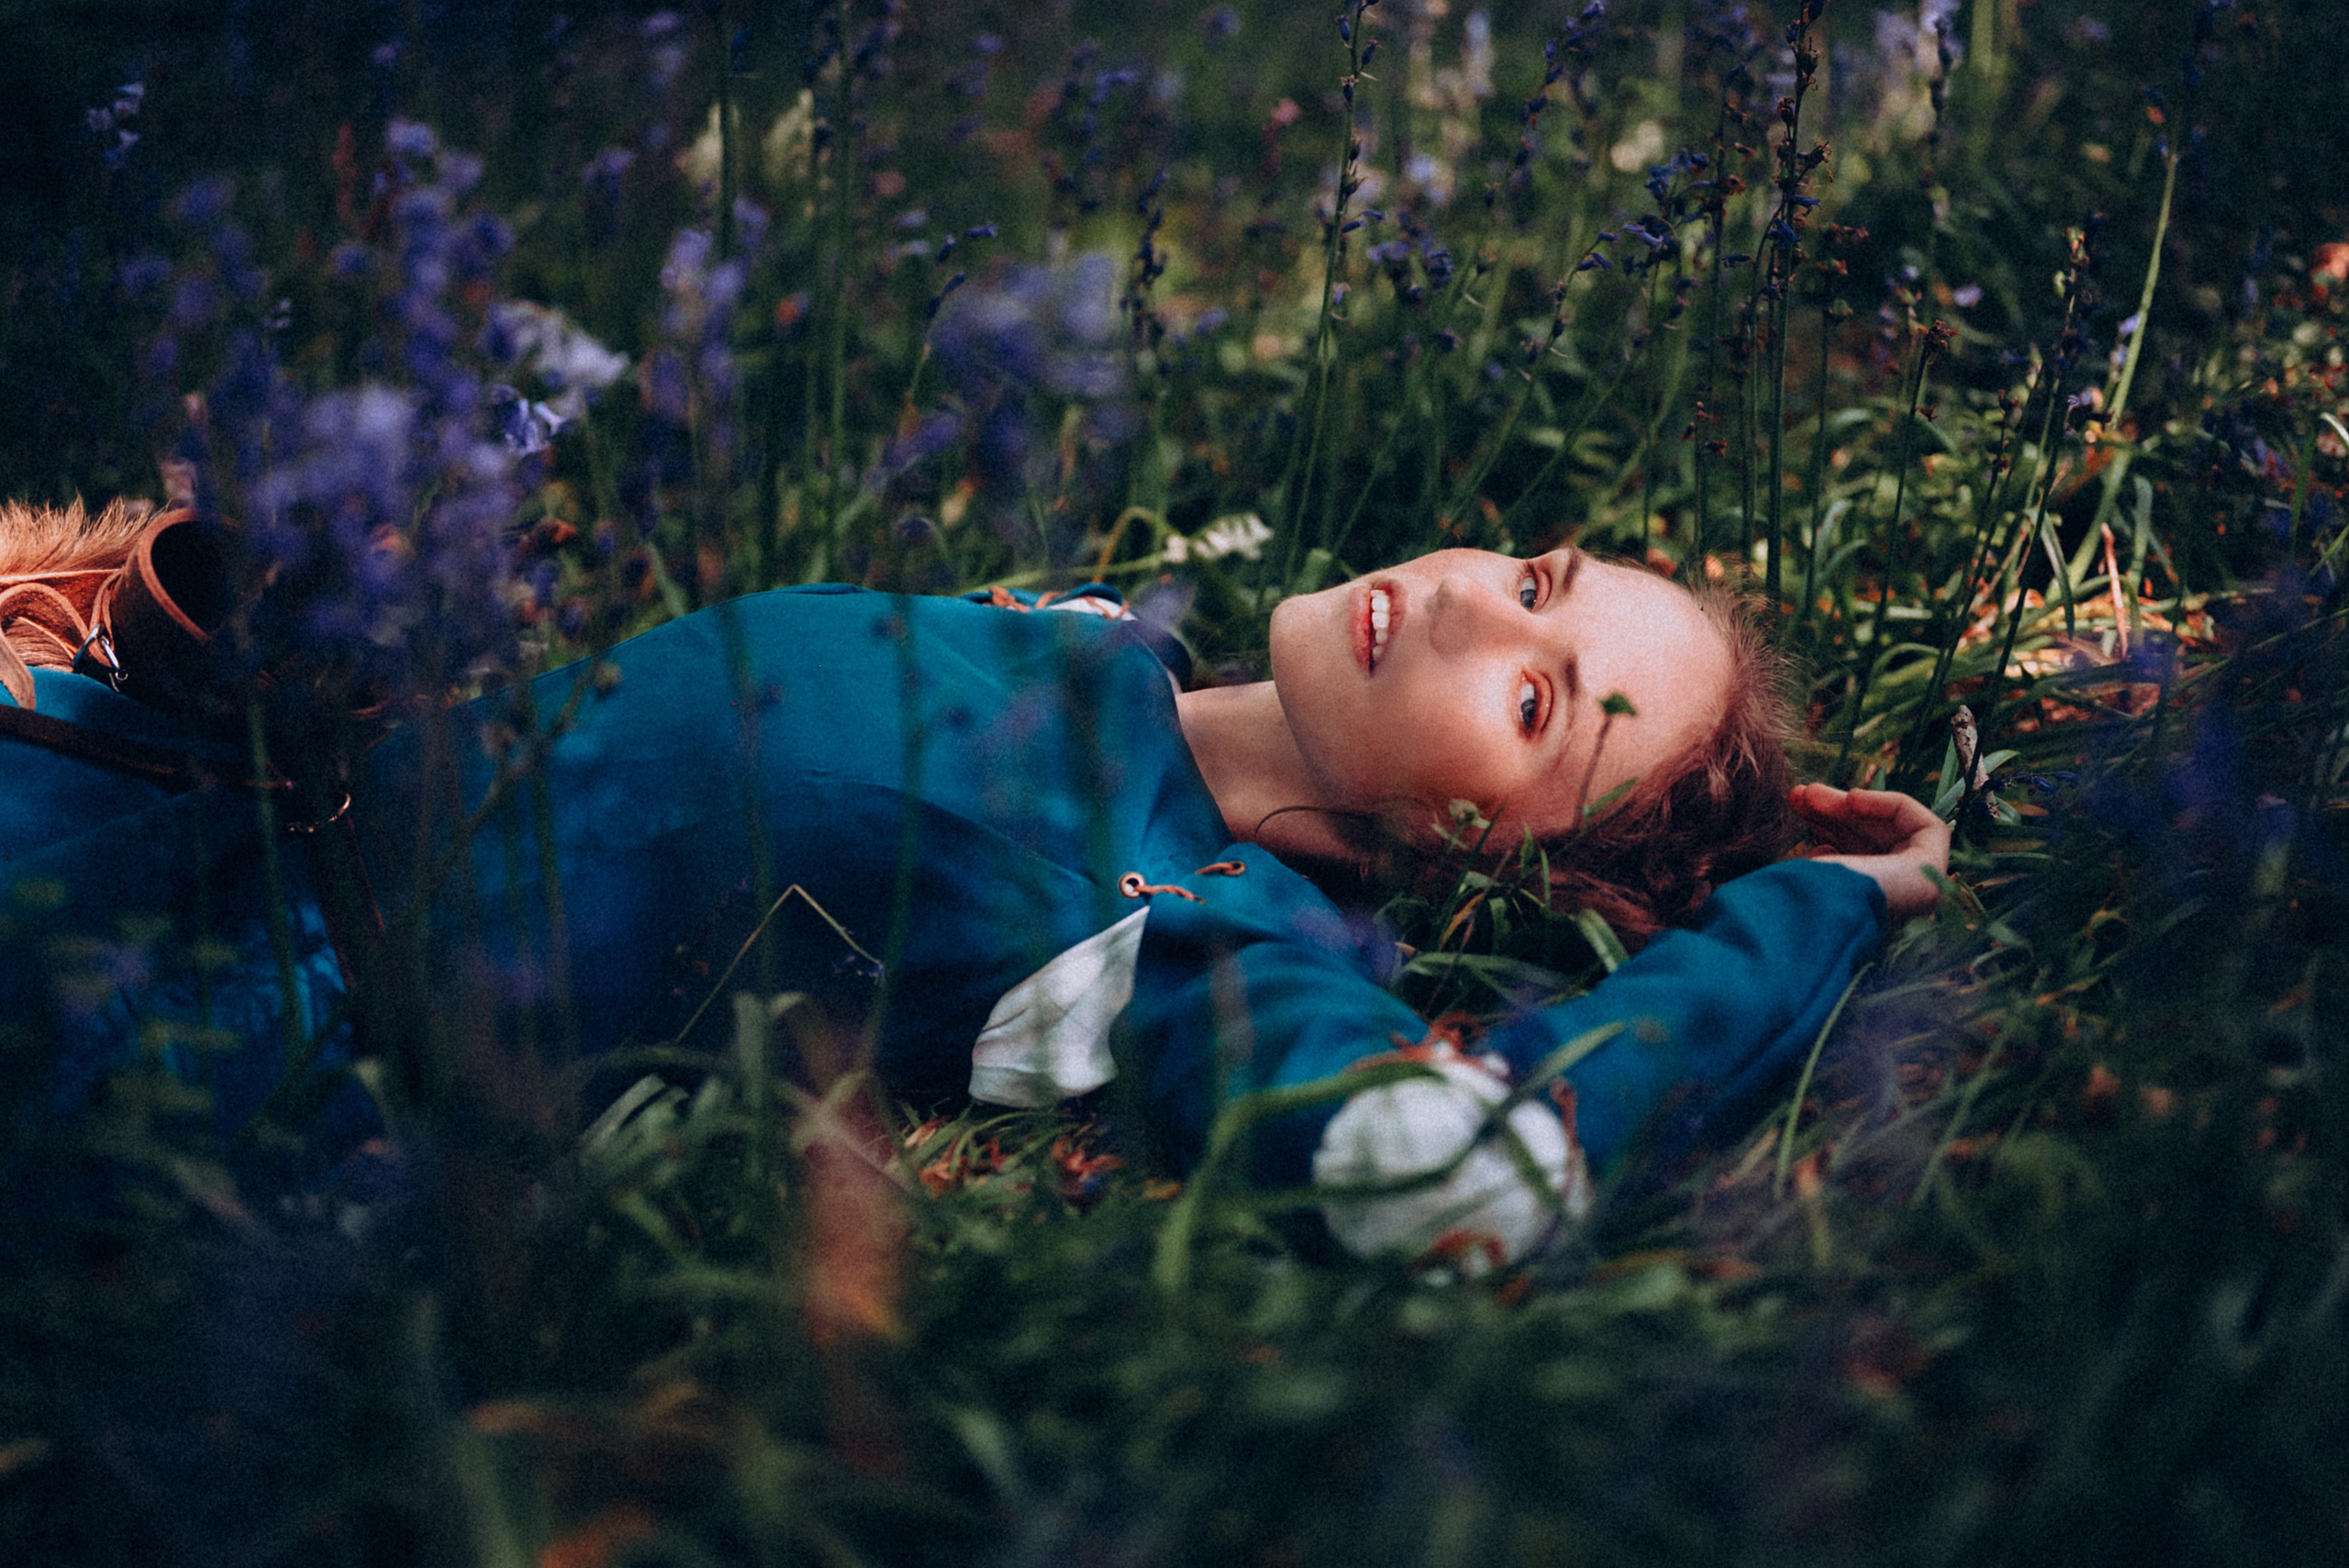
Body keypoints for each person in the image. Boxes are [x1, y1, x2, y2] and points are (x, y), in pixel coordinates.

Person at [1, 506, 1946, 1265]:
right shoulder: (1096, 646)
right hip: (178, 788)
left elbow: (1455, 1173)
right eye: (1532, 579)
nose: (1454, 603)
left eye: (1528, 702)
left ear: (1478, 847)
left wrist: (1809, 916)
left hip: (222, 1012)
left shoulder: (1179, 932)